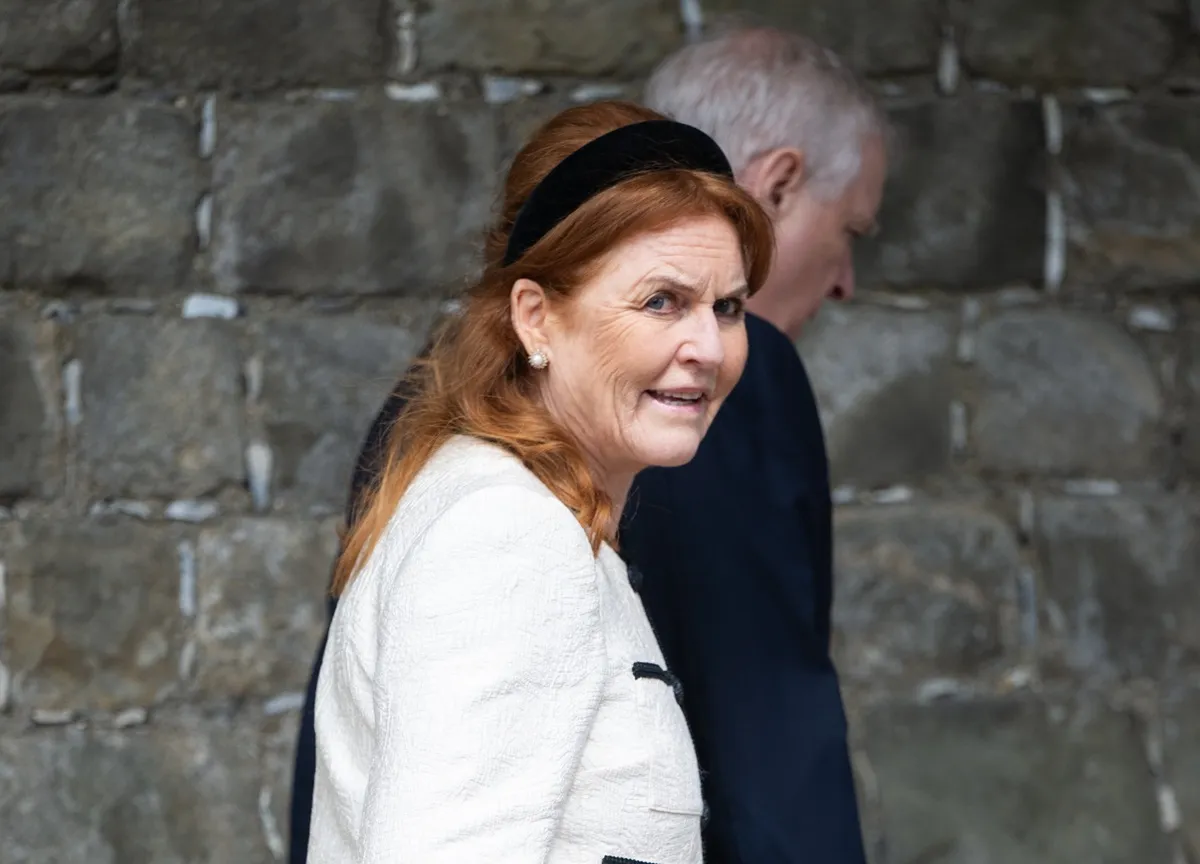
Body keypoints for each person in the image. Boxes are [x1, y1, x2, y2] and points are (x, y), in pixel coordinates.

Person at [290, 24, 889, 864]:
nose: (711, 348)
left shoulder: (537, 511)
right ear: (535, 318)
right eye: (661, 301)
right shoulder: (505, 535)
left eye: (727, 307)